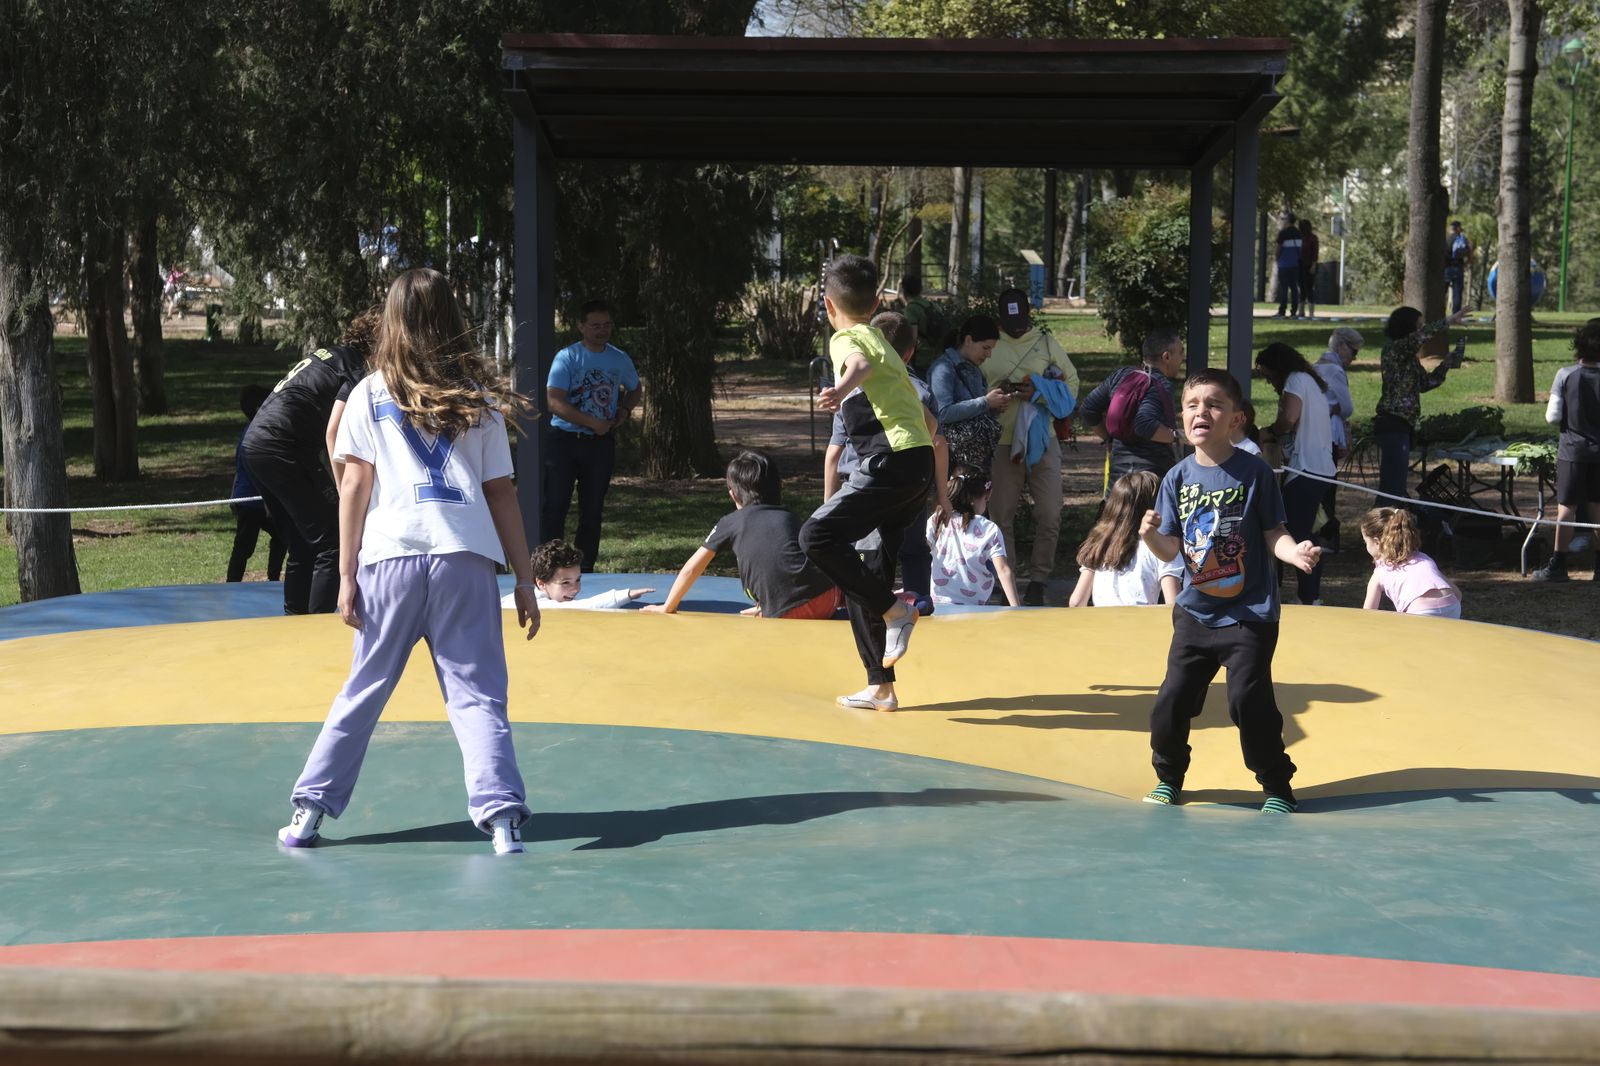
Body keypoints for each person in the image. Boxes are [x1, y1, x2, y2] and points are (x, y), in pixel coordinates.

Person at [275, 268, 540, 856]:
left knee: (364, 687)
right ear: (452, 318)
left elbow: (353, 488)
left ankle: (309, 813)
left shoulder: (370, 391)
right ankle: (502, 820)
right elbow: (502, 494)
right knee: (477, 694)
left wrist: (345, 575)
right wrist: (524, 578)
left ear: (392, 321)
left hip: (390, 557)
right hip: (464, 558)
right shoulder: (480, 398)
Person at [1138, 368, 1321, 814]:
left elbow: (1273, 531)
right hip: (1195, 615)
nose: (1202, 411)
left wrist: (1292, 552)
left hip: (1249, 616)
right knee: (1171, 701)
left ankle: (1276, 785)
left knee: (1248, 702)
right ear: (1182, 415)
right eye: (1192, 404)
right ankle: (1169, 777)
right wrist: (1149, 537)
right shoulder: (1176, 479)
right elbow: (1170, 551)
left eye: (1215, 404)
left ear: (1236, 418)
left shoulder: (1254, 472)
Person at [800, 253, 950, 714]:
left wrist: (841, 388)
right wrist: (938, 489)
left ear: (828, 305)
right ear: (875, 301)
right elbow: (929, 422)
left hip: (891, 463)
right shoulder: (885, 343)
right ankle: (880, 686)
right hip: (915, 465)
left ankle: (897, 612)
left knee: (815, 537)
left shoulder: (847, 338)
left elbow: (858, 365)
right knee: (867, 575)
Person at [241, 307, 377, 614]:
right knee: (334, 540)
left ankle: (295, 621)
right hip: (282, 445)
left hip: (255, 444)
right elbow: (334, 432)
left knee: (302, 542)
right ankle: (319, 628)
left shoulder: (327, 355)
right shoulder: (356, 368)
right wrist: (344, 492)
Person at [823, 311, 946, 615]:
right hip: (909, 477)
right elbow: (936, 437)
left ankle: (879, 608)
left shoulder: (856, 388)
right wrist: (941, 494)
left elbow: (834, 453)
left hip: (869, 481)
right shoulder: (914, 388)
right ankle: (916, 604)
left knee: (868, 552)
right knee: (910, 549)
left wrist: (829, 502)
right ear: (909, 352)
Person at [648, 450, 840, 618]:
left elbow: (692, 568)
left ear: (733, 494)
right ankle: (769, 605)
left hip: (789, 609)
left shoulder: (730, 522)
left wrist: (668, 606)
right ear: (779, 486)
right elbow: (787, 564)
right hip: (829, 596)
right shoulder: (789, 517)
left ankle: (771, 606)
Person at [983, 288, 1079, 605]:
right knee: (1001, 516)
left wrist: (1038, 391)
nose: (1016, 325)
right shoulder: (990, 343)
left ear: (1029, 313)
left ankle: (1039, 580)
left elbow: (1072, 383)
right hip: (1001, 441)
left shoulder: (1045, 342)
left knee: (1050, 512)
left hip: (1041, 439)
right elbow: (973, 387)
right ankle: (1006, 582)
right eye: (1010, 320)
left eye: (1021, 318)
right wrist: (996, 394)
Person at [541, 298, 641, 573]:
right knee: (555, 506)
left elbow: (635, 388)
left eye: (607, 325)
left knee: (592, 510)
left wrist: (624, 411)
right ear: (581, 327)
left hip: (600, 445)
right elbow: (554, 401)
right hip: (564, 441)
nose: (602, 331)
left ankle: (584, 568)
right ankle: (550, 567)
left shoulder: (619, 358)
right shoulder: (568, 357)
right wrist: (591, 422)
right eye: (595, 325)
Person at [1256, 342, 1335, 605]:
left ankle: (1307, 597)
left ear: (1279, 368)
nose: (1269, 382)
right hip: (1319, 469)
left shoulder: (1295, 380)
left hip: (1306, 469)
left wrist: (1270, 432)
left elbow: (1288, 418)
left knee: (1288, 534)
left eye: (1268, 375)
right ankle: (1309, 595)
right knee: (1305, 534)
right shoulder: (1308, 381)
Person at [1373, 305, 1470, 500]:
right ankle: (1381, 526)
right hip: (1393, 424)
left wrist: (1445, 366)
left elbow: (1425, 384)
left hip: (1404, 426)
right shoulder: (1395, 349)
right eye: (1418, 325)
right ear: (1407, 327)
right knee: (1391, 488)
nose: (1421, 329)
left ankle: (1389, 524)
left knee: (1397, 485)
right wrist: (1448, 321)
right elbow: (1421, 336)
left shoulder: (1410, 358)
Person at [1530, 319, 1600, 582]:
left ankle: (1558, 565)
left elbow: (1552, 416)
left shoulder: (1565, 374)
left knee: (1566, 507)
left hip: (1573, 452)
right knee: (1597, 508)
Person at [1076, 327, 1183, 480]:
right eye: (1181, 352)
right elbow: (1144, 424)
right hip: (1150, 479)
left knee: (1117, 505)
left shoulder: (1121, 375)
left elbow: (1088, 408)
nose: (1183, 358)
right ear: (1166, 357)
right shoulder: (1161, 385)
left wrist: (1109, 438)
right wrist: (1176, 436)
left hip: (1118, 476)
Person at [1067, 470, 1182, 607]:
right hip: (1142, 626)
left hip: (1101, 625)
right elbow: (1173, 604)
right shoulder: (1162, 549)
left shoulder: (1099, 543)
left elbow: (1077, 601)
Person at [927, 466, 1019, 610]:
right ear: (987, 495)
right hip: (975, 609)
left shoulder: (938, 519)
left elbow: (922, 552)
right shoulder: (988, 528)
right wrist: (1017, 609)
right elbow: (1003, 571)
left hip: (936, 606)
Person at [928, 314, 1007, 472]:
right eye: (986, 348)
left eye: (991, 349)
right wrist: (985, 402)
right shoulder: (942, 368)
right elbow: (943, 413)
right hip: (953, 462)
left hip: (976, 460)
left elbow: (975, 414)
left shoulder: (974, 369)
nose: (989, 355)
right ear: (968, 340)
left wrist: (994, 406)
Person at [227, 385, 286, 583]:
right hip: (249, 500)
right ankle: (232, 583)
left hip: (263, 499)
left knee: (282, 535)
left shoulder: (261, 430)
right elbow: (255, 471)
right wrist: (269, 501)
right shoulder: (253, 435)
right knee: (244, 545)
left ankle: (273, 579)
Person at [1360, 508, 1462, 617]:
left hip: (1420, 611)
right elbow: (1458, 594)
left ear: (1376, 542)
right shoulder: (1423, 558)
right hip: (1452, 605)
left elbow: (1368, 614)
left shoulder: (1380, 572)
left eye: (1365, 541)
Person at [1313, 328, 1362, 551]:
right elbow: (1348, 407)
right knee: (1328, 486)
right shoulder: (1334, 370)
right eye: (1354, 351)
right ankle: (1327, 535)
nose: (1354, 358)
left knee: (1319, 483)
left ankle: (1321, 532)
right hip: (1329, 434)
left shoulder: (1316, 365)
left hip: (1315, 434)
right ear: (1341, 347)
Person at [504, 540, 654, 610]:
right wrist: (626, 594)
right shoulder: (536, 604)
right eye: (565, 583)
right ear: (541, 584)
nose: (575, 589)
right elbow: (583, 607)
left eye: (578, 580)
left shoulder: (543, 595)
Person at [898, 275, 946, 372]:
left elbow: (912, 338)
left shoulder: (911, 309)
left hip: (921, 359)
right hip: (938, 355)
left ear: (904, 290)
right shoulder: (932, 305)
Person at [1274, 212, 1303, 318]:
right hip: (1295, 265)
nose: (1282, 221)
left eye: (1283, 219)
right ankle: (1294, 311)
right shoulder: (1299, 233)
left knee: (1284, 288)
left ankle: (1282, 311)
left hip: (1284, 265)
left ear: (1287, 220)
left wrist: (1277, 260)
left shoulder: (1283, 234)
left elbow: (1278, 249)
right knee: (1294, 288)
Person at [1445, 220, 1473, 315]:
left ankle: (1438, 313)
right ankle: (1456, 315)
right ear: (1457, 228)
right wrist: (1466, 264)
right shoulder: (1461, 238)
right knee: (1457, 294)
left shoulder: (1444, 238)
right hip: (1458, 268)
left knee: (1442, 292)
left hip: (1446, 268)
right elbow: (1469, 252)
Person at [1298, 218, 1320, 319]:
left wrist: (1314, 265)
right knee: (1302, 288)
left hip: (1309, 265)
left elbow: (1315, 253)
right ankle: (1301, 311)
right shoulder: (1300, 238)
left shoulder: (1312, 238)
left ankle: (1311, 312)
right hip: (1300, 265)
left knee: (1309, 288)